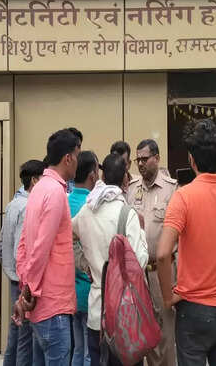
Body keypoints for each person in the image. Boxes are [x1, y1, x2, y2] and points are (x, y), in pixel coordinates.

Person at [156, 119, 216, 365]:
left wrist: (168, 297)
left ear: (191, 159)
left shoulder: (183, 197)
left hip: (192, 309)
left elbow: (163, 254)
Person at [72, 153, 148, 366]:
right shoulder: (127, 214)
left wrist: (84, 264)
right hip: (125, 315)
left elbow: (68, 237)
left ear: (102, 177)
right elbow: (140, 261)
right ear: (125, 179)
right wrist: (142, 232)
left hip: (97, 312)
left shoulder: (87, 210)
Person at [15, 129, 81, 366]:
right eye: (77, 155)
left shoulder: (39, 189)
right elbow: (40, 248)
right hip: (53, 306)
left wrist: (25, 288)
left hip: (40, 306)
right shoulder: (55, 192)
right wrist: (28, 291)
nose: (78, 161)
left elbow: (23, 246)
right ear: (68, 158)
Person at [126, 138, 178, 366]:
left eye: (145, 159)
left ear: (157, 158)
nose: (140, 163)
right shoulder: (131, 189)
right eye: (138, 159)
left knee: (165, 332)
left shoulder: (171, 189)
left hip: (162, 271)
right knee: (141, 331)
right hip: (138, 273)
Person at [0, 159, 46, 366]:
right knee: (25, 338)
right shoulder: (28, 207)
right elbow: (23, 252)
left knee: (15, 334)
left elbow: (1, 247)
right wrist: (27, 281)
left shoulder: (13, 205)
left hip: (14, 278)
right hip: (23, 281)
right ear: (35, 180)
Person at [68, 151, 100, 366]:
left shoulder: (65, 201)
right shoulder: (91, 206)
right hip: (89, 290)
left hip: (70, 291)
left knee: (77, 349)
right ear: (92, 175)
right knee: (90, 352)